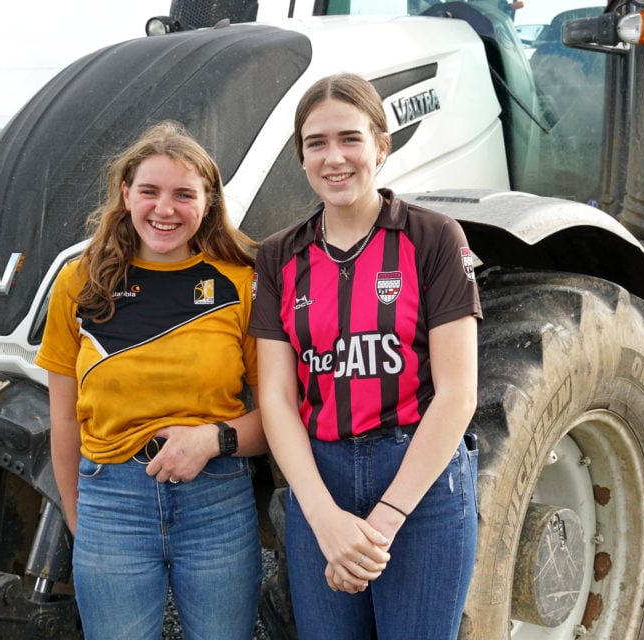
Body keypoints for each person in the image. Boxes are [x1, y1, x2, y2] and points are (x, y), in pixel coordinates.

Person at [250, 73, 481, 639]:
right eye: (316, 143)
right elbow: (277, 398)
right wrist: (322, 518)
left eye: (350, 139)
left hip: (419, 483)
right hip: (319, 479)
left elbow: (458, 393)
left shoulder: (433, 239)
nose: (335, 158)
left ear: (382, 145)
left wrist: (387, 517)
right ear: (300, 157)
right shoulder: (279, 256)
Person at [35, 121, 265, 640]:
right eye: (150, 191)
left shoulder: (240, 283)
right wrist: (80, 517)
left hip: (217, 500)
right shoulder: (79, 283)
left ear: (208, 202)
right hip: (111, 503)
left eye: (184, 194)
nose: (165, 209)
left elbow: (279, 414)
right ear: (125, 194)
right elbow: (63, 418)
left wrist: (213, 438)